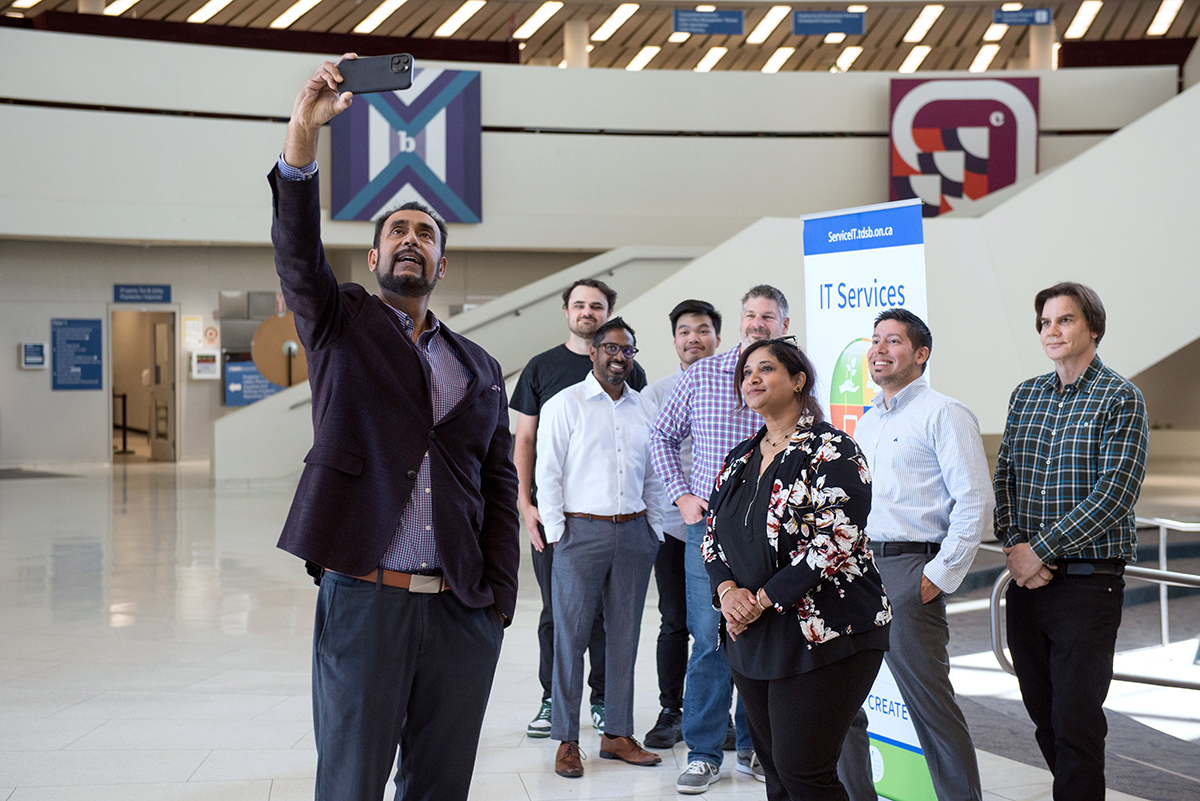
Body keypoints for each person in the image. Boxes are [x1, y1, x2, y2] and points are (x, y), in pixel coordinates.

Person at [269, 57, 519, 801]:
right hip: (366, 596)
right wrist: (302, 138)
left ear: (442, 262)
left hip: (460, 610)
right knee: (350, 781)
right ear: (375, 256)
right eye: (397, 231)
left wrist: (499, 595)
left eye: (426, 233)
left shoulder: (478, 364)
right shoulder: (341, 322)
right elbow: (295, 250)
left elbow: (499, 481)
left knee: (440, 785)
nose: (412, 238)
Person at [704, 338, 891, 801]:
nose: (752, 378)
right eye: (747, 372)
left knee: (804, 771)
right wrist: (729, 593)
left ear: (798, 380)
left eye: (765, 369)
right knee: (779, 776)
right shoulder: (740, 457)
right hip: (752, 636)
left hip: (826, 631)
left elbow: (837, 539)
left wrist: (761, 600)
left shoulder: (832, 448)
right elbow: (713, 538)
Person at [994, 281, 1148, 801]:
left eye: (1065, 320)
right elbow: (1006, 478)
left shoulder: (1121, 398)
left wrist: (1040, 549)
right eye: (1044, 322)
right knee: (1043, 715)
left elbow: (1115, 494)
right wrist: (1016, 546)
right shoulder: (1026, 394)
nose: (1052, 331)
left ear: (1093, 329)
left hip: (1087, 585)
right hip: (1027, 582)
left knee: (1076, 721)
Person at [649, 284, 789, 793]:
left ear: (782, 324)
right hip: (707, 527)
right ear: (740, 321)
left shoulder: (794, 378)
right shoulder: (704, 373)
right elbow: (661, 435)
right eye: (751, 314)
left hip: (775, 532)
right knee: (709, 638)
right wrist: (682, 495)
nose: (758, 323)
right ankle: (705, 752)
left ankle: (755, 749)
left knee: (764, 633)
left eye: (768, 316)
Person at [854, 309, 993, 801]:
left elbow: (976, 499)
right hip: (860, 572)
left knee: (930, 707)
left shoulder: (943, 412)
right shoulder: (867, 424)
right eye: (875, 341)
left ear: (920, 354)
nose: (879, 349)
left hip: (912, 569)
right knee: (841, 705)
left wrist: (937, 576)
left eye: (893, 341)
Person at [511, 278, 648, 738]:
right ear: (567, 311)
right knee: (561, 616)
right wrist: (529, 507)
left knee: (617, 626)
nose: (587, 312)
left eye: (597, 306)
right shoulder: (544, 371)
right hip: (566, 522)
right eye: (579, 305)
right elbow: (528, 442)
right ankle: (555, 707)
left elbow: (643, 454)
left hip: (626, 525)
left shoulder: (632, 375)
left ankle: (608, 709)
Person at [535, 318, 667, 778]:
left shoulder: (642, 408)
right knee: (570, 637)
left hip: (633, 534)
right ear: (592, 353)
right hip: (579, 534)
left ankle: (617, 734)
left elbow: (652, 474)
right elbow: (546, 473)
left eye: (627, 350)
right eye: (610, 348)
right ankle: (568, 740)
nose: (619, 357)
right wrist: (557, 535)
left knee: (625, 636)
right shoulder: (563, 405)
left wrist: (652, 527)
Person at [640, 300, 723, 749]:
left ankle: (716, 715)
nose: (694, 338)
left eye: (704, 330)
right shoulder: (657, 392)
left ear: (717, 337)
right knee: (676, 622)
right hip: (674, 528)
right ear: (674, 341)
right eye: (685, 331)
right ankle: (672, 710)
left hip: (727, 528)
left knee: (724, 625)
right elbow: (654, 460)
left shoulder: (738, 386)